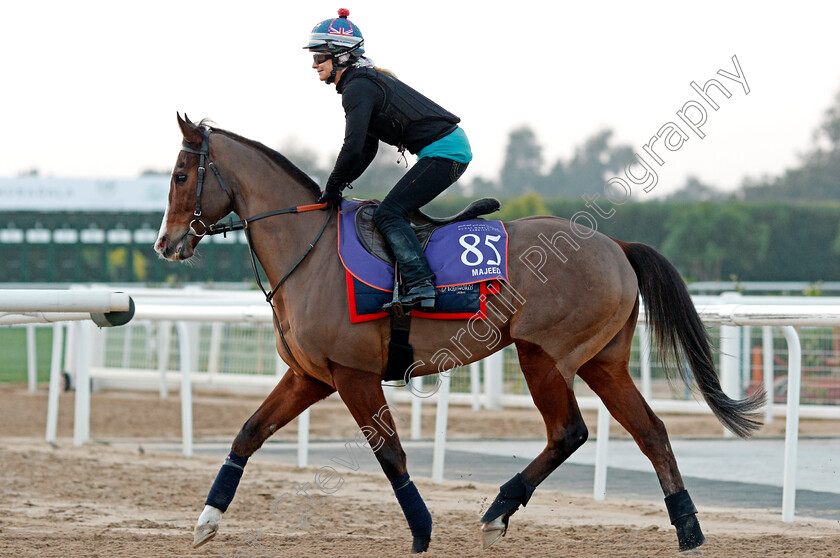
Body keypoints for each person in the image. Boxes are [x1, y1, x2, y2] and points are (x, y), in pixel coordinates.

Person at [305, 8, 472, 312]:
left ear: (340, 56)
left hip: (445, 151)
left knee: (388, 214)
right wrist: (339, 187)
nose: (313, 64)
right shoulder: (361, 83)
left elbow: (353, 147)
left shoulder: (358, 88)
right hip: (445, 148)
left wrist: (331, 188)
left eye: (319, 56)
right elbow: (367, 149)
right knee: (391, 209)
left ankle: (421, 285)